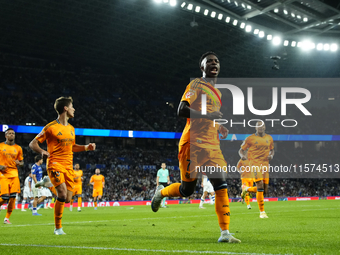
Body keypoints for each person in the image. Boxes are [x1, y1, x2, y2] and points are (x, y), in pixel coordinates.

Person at [151, 52, 240, 243]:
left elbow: (210, 115)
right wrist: (209, 116)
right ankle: (161, 192)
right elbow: (181, 109)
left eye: (216, 61)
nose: (214, 63)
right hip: (192, 144)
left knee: (221, 185)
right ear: (202, 67)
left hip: (212, 145)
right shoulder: (196, 85)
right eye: (209, 61)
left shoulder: (218, 92)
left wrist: (219, 125)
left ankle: (225, 233)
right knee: (187, 190)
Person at [29, 96, 96, 235]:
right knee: (62, 193)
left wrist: (86, 147)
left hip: (68, 166)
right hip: (55, 163)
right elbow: (32, 143)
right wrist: (42, 151)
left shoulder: (71, 128)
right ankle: (58, 228)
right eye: (72, 106)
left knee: (67, 198)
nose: (74, 109)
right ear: (65, 108)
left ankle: (49, 183)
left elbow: (72, 147)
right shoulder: (50, 127)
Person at [239, 121, 274, 218]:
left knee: (264, 190)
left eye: (262, 126)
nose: (260, 128)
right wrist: (242, 156)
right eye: (258, 126)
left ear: (265, 127)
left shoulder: (269, 138)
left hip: (265, 165)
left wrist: (271, 155)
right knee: (260, 185)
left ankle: (247, 189)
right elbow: (241, 150)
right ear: (256, 128)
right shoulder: (250, 139)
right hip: (254, 164)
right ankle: (262, 212)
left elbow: (272, 149)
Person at [0, 128, 24, 224]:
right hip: (3, 174)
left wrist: (19, 163)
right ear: (5, 135)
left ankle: (7, 218)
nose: (11, 135)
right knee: (5, 197)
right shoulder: (1, 146)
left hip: (14, 174)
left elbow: (22, 162)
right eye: (9, 133)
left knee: (13, 197)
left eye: (13, 133)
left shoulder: (18, 148)